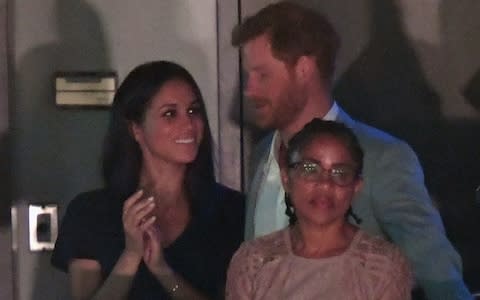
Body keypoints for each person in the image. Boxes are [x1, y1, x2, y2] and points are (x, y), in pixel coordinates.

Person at [231, 1, 471, 299]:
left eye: (262, 75)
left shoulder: (383, 159)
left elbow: (441, 281)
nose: (249, 89)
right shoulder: (262, 155)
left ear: (304, 69)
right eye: (248, 76)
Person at [51, 61, 245, 299]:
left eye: (194, 111)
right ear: (136, 129)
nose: (188, 125)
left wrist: (163, 272)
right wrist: (131, 256)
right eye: (170, 114)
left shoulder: (231, 210)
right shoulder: (90, 213)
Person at [226, 119, 413, 299]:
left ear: (356, 186)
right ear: (286, 178)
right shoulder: (254, 262)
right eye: (310, 169)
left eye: (340, 173)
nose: (325, 184)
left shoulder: (382, 267)